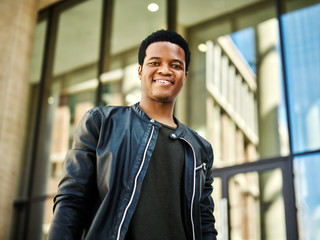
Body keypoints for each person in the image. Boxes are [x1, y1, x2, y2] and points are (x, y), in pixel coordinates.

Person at [48, 29, 217, 240]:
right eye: (155, 63)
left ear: (185, 76)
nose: (165, 70)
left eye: (176, 65)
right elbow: (72, 200)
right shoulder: (101, 122)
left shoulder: (201, 148)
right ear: (139, 71)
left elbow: (205, 223)